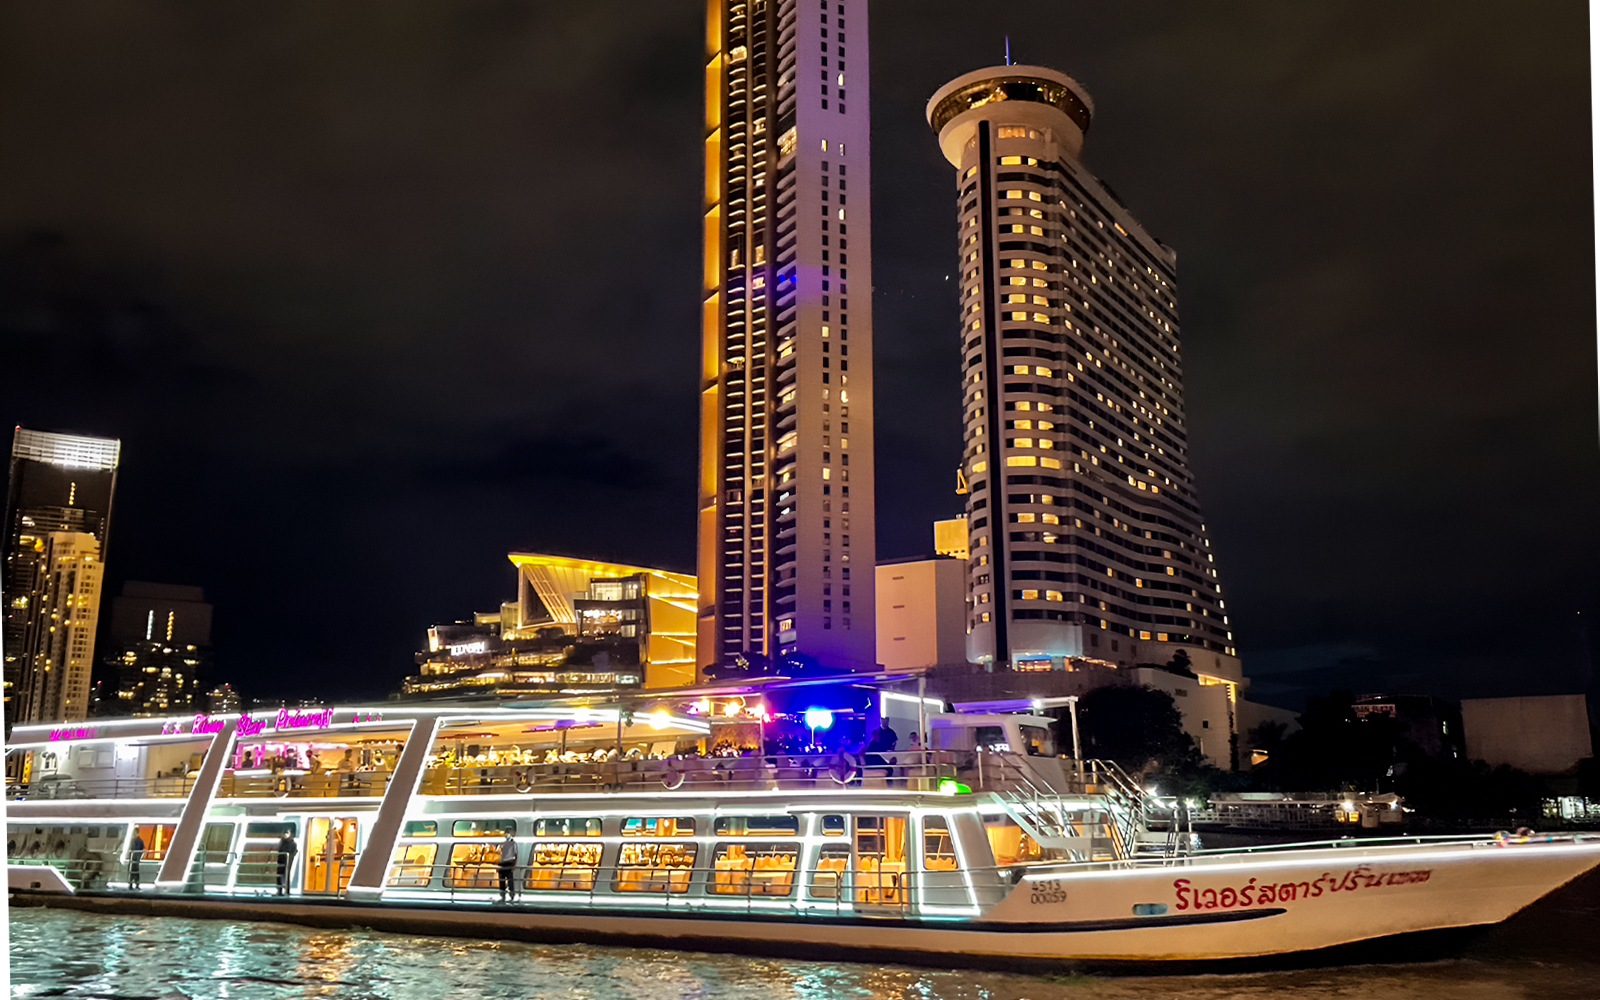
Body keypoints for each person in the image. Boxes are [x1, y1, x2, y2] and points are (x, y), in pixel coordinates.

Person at [496, 830, 519, 903]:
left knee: (509, 879)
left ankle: (511, 894)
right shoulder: (503, 843)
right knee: (502, 879)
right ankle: (503, 894)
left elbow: (516, 854)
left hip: (509, 862)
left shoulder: (513, 843)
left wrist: (515, 865)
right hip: (503, 862)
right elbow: (501, 853)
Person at [276, 830, 298, 896]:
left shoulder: (292, 843)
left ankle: (286, 890)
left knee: (286, 875)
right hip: (281, 860)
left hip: (287, 861)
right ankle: (280, 890)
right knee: (280, 876)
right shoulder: (283, 842)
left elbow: (293, 851)